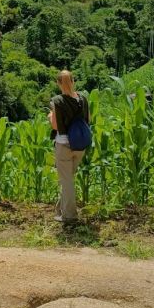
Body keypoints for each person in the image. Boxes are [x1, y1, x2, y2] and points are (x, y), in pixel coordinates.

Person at [48, 70, 89, 224]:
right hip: (80, 145)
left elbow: (55, 126)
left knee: (66, 181)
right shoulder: (83, 99)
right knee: (68, 180)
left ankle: (70, 217)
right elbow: (87, 120)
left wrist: (50, 117)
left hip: (64, 144)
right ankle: (60, 211)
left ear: (58, 83)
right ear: (73, 81)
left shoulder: (57, 101)